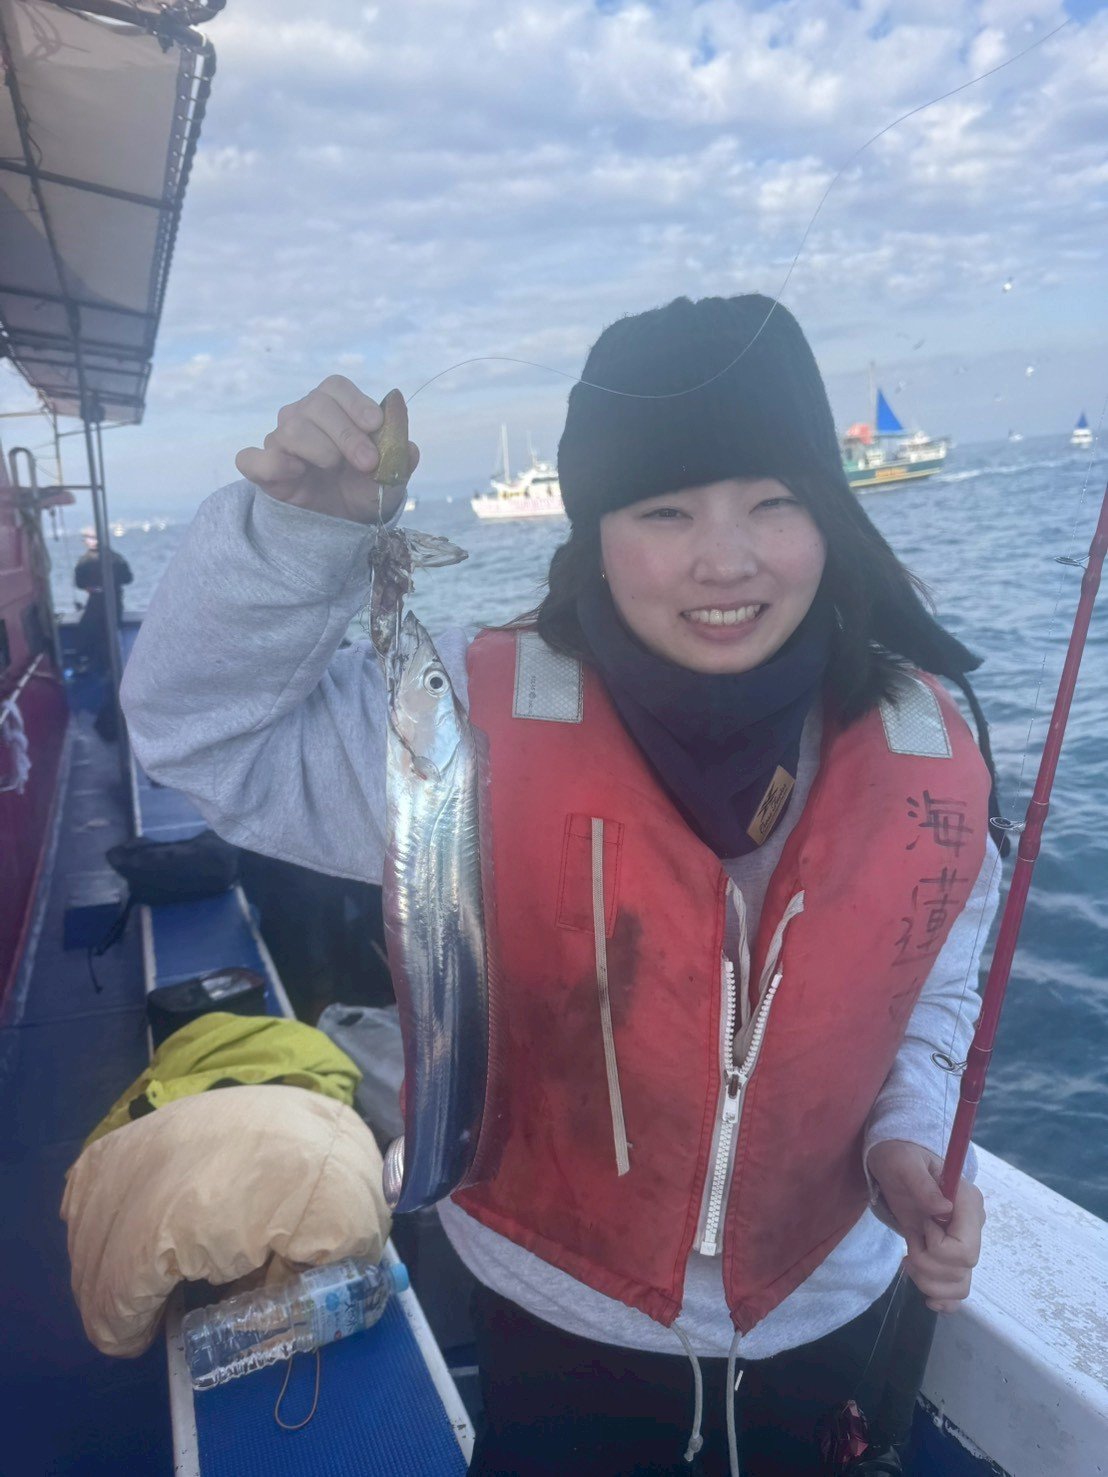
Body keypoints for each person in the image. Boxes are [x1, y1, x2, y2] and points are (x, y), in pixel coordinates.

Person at [121, 295, 999, 1476]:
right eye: (664, 509)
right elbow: (197, 729)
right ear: (595, 532)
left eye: (773, 501)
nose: (725, 558)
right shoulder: (461, 732)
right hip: (556, 1314)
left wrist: (909, 1140)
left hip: (826, 1318)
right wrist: (299, 539)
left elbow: (934, 999)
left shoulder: (926, 750)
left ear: (827, 515)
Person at [73, 527, 133, 672]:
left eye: (93, 538)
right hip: (102, 601)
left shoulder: (111, 559)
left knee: (100, 635)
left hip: (107, 602)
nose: (91, 541)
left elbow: (127, 578)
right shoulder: (113, 557)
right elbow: (79, 582)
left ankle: (101, 668)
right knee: (93, 634)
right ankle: (96, 666)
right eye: (88, 538)